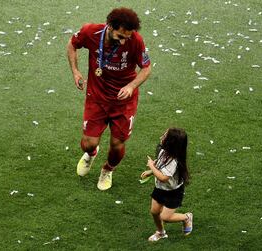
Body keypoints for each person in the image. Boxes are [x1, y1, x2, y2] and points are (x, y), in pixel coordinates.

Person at [67, 7, 151, 191]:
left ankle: (108, 169)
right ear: (110, 27)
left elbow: (146, 68)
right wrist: (75, 71)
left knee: (116, 144)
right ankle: (91, 154)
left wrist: (131, 86)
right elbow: (72, 44)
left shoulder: (135, 40)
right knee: (88, 143)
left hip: (123, 101)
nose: (123, 42)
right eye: (120, 36)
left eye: (126, 38)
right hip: (97, 97)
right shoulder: (91, 32)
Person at [141, 128, 193, 242]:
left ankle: (186, 217)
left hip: (173, 192)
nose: (161, 137)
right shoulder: (163, 150)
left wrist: (151, 167)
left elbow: (163, 178)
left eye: (165, 136)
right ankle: (160, 232)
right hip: (160, 188)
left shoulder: (173, 161)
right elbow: (160, 165)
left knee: (165, 217)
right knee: (154, 212)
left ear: (171, 143)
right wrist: (151, 172)